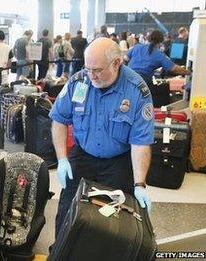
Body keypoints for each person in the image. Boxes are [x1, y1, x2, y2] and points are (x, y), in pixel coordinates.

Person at [50, 38, 154, 240]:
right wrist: (62, 159)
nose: (91, 75)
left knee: (113, 220)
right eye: (87, 68)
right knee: (66, 212)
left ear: (116, 63)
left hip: (118, 161)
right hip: (83, 155)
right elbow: (59, 119)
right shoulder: (79, 81)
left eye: (96, 70)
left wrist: (139, 184)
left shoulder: (136, 91)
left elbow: (141, 142)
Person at [124, 30, 190, 90]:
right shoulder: (159, 55)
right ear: (161, 42)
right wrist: (189, 72)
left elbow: (125, 59)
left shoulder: (137, 47)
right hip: (142, 83)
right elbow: (175, 69)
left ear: (148, 38)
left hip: (127, 79)